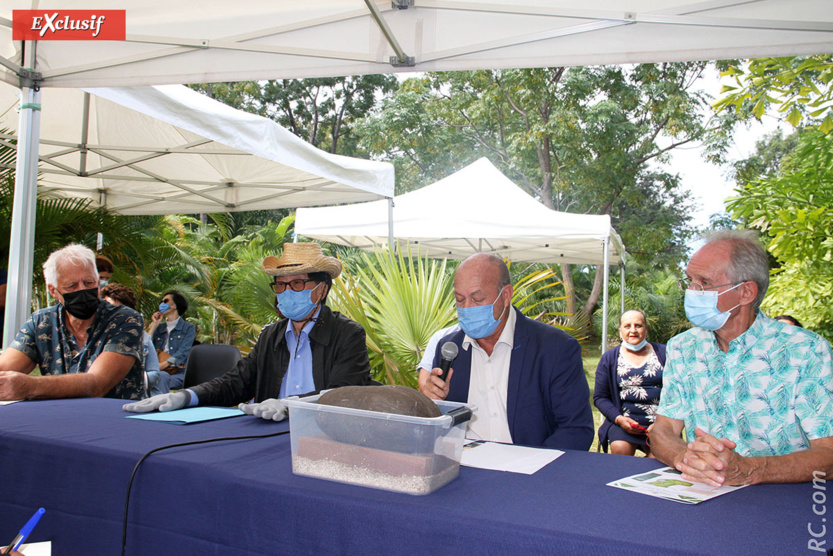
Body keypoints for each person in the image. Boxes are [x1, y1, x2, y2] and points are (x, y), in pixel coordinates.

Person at [652, 229, 833, 486]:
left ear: (746, 292)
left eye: (703, 282)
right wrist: (686, 459)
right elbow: (664, 430)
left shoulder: (806, 350)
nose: (691, 291)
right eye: (689, 281)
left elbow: (828, 453)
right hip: (704, 495)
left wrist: (751, 469)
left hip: (786, 503)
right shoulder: (683, 347)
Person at [124, 242, 372, 420]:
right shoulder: (271, 335)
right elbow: (237, 382)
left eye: (297, 283)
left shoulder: (347, 334)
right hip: (268, 431)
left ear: (321, 289)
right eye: (281, 285)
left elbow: (343, 393)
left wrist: (289, 406)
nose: (287, 291)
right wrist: (187, 396)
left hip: (321, 434)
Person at [418, 253, 593, 450]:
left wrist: (533, 468)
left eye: (477, 299)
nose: (467, 308)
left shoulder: (555, 349)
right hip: (464, 469)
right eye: (460, 300)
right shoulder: (449, 349)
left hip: (532, 471)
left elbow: (576, 430)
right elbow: (433, 432)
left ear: (506, 296)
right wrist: (433, 403)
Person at [0, 244, 145, 401]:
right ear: (53, 290)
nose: (82, 290)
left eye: (89, 283)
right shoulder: (41, 322)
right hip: (60, 419)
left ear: (98, 282)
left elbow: (97, 384)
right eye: (71, 286)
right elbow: (6, 366)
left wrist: (30, 387)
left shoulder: (126, 319)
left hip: (115, 420)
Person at [593, 310, 666, 456]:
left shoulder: (665, 353)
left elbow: (678, 393)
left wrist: (663, 423)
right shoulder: (610, 358)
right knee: (620, 450)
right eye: (627, 326)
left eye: (638, 325)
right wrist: (619, 419)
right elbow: (600, 397)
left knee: (658, 458)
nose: (633, 330)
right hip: (624, 422)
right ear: (620, 330)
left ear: (646, 329)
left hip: (661, 424)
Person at [101, 283, 160, 395]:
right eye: (109, 307)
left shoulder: (144, 338)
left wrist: (133, 379)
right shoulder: (93, 338)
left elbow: (154, 374)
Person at [147, 290, 196, 395]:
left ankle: (158, 406)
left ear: (175, 305)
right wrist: (154, 325)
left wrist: (164, 364)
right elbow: (146, 346)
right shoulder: (159, 328)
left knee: (161, 378)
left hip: (178, 371)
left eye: (166, 301)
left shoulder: (188, 328)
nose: (162, 304)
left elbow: (184, 350)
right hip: (157, 369)